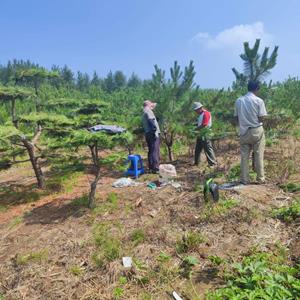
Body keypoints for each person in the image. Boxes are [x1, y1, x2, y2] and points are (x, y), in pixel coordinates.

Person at [234, 80, 267, 184]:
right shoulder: (259, 101)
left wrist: (243, 124)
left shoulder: (239, 101)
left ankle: (244, 179)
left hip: (244, 132)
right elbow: (262, 117)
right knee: (258, 154)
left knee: (244, 157)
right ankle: (260, 179)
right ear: (257, 89)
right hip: (256, 130)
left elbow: (236, 118)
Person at [193, 102, 217, 167]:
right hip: (201, 134)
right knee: (197, 149)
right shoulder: (201, 115)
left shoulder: (206, 113)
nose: (196, 112)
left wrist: (196, 129)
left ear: (200, 108)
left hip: (206, 133)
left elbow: (204, 124)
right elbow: (201, 123)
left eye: (196, 110)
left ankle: (213, 164)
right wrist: (195, 125)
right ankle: (196, 163)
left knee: (208, 148)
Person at [142, 100, 160, 173]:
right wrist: (154, 129)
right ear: (149, 105)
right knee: (155, 150)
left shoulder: (144, 112)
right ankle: (155, 168)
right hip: (153, 133)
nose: (152, 106)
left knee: (151, 150)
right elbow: (151, 120)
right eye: (151, 105)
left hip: (148, 134)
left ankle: (151, 167)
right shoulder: (148, 111)